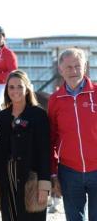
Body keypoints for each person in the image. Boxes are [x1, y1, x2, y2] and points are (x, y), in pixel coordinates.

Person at [0, 69, 50, 220]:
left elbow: (45, 151)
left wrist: (44, 185)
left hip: (31, 182)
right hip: (7, 181)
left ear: (27, 89)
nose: (15, 90)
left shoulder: (38, 115)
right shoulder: (2, 117)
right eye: (11, 87)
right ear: (6, 90)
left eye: (20, 86)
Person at [49, 48, 97, 221]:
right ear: (61, 70)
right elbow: (51, 139)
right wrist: (53, 172)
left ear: (85, 67)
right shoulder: (55, 100)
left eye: (77, 66)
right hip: (69, 172)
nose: (73, 71)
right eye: (68, 67)